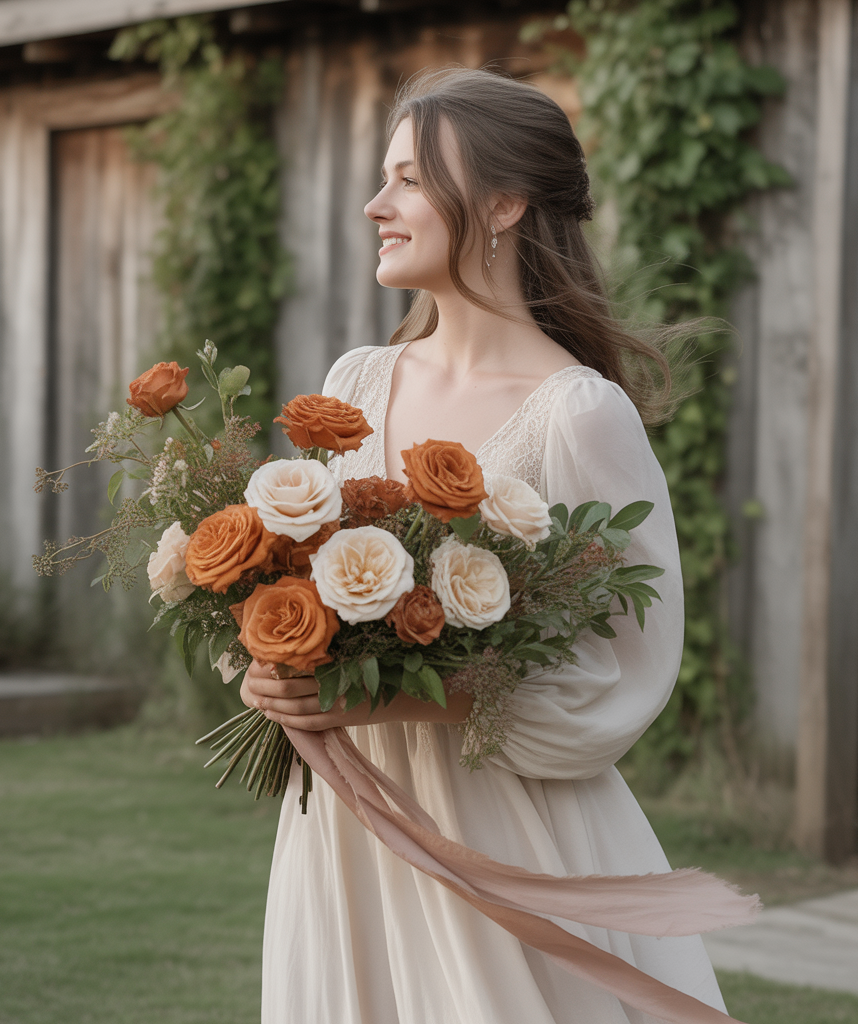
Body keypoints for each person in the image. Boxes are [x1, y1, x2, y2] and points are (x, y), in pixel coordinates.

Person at [241, 67, 730, 1024]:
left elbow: (620, 673)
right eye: (386, 176)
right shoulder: (357, 382)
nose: (377, 204)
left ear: (504, 201)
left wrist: (401, 694)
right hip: (347, 829)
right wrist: (271, 662)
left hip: (506, 832)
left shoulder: (580, 413)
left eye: (412, 179)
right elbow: (297, 575)